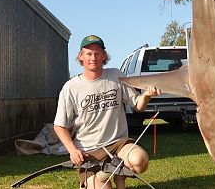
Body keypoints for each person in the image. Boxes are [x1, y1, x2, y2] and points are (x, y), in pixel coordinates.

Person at [54, 35, 161, 189]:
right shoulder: (70, 87)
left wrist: (146, 95)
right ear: (81, 56)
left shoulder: (116, 76)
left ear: (104, 56)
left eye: (98, 53)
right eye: (89, 53)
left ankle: (119, 177)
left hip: (118, 144)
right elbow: (59, 126)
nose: (93, 57)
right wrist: (72, 150)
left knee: (140, 160)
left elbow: (138, 105)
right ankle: (99, 176)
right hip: (89, 151)